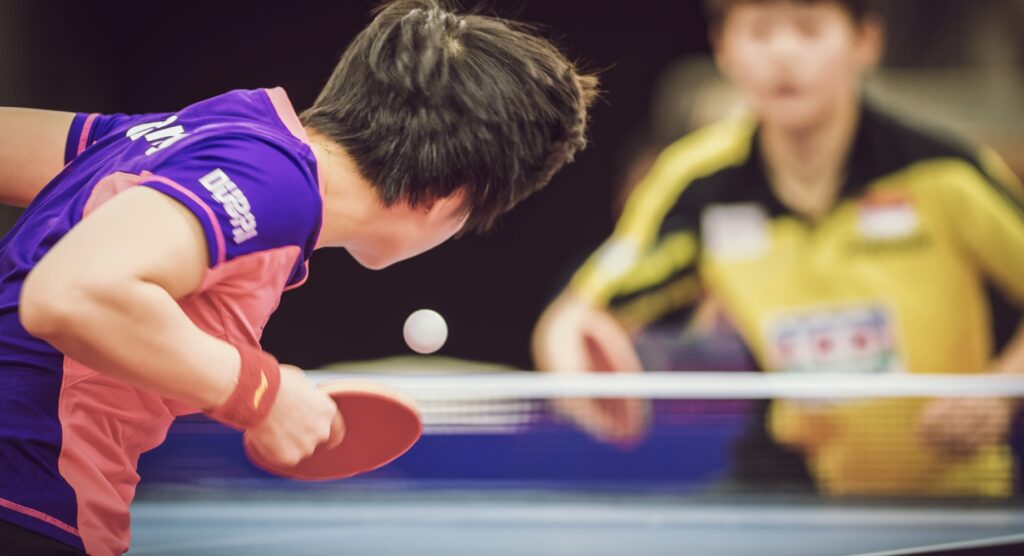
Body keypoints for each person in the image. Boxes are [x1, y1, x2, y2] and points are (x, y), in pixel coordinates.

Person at [0, 1, 598, 553]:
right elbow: (68, 294)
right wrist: (262, 395)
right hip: (30, 499)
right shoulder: (272, 184)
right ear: (447, 198)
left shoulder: (223, 129)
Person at [533, 0, 1024, 497]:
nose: (783, 54)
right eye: (761, 32)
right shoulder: (698, 183)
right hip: (795, 483)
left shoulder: (944, 171)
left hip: (956, 495)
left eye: (809, 29)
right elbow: (577, 314)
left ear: (866, 42)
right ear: (724, 49)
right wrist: (571, 353)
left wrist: (1001, 391)